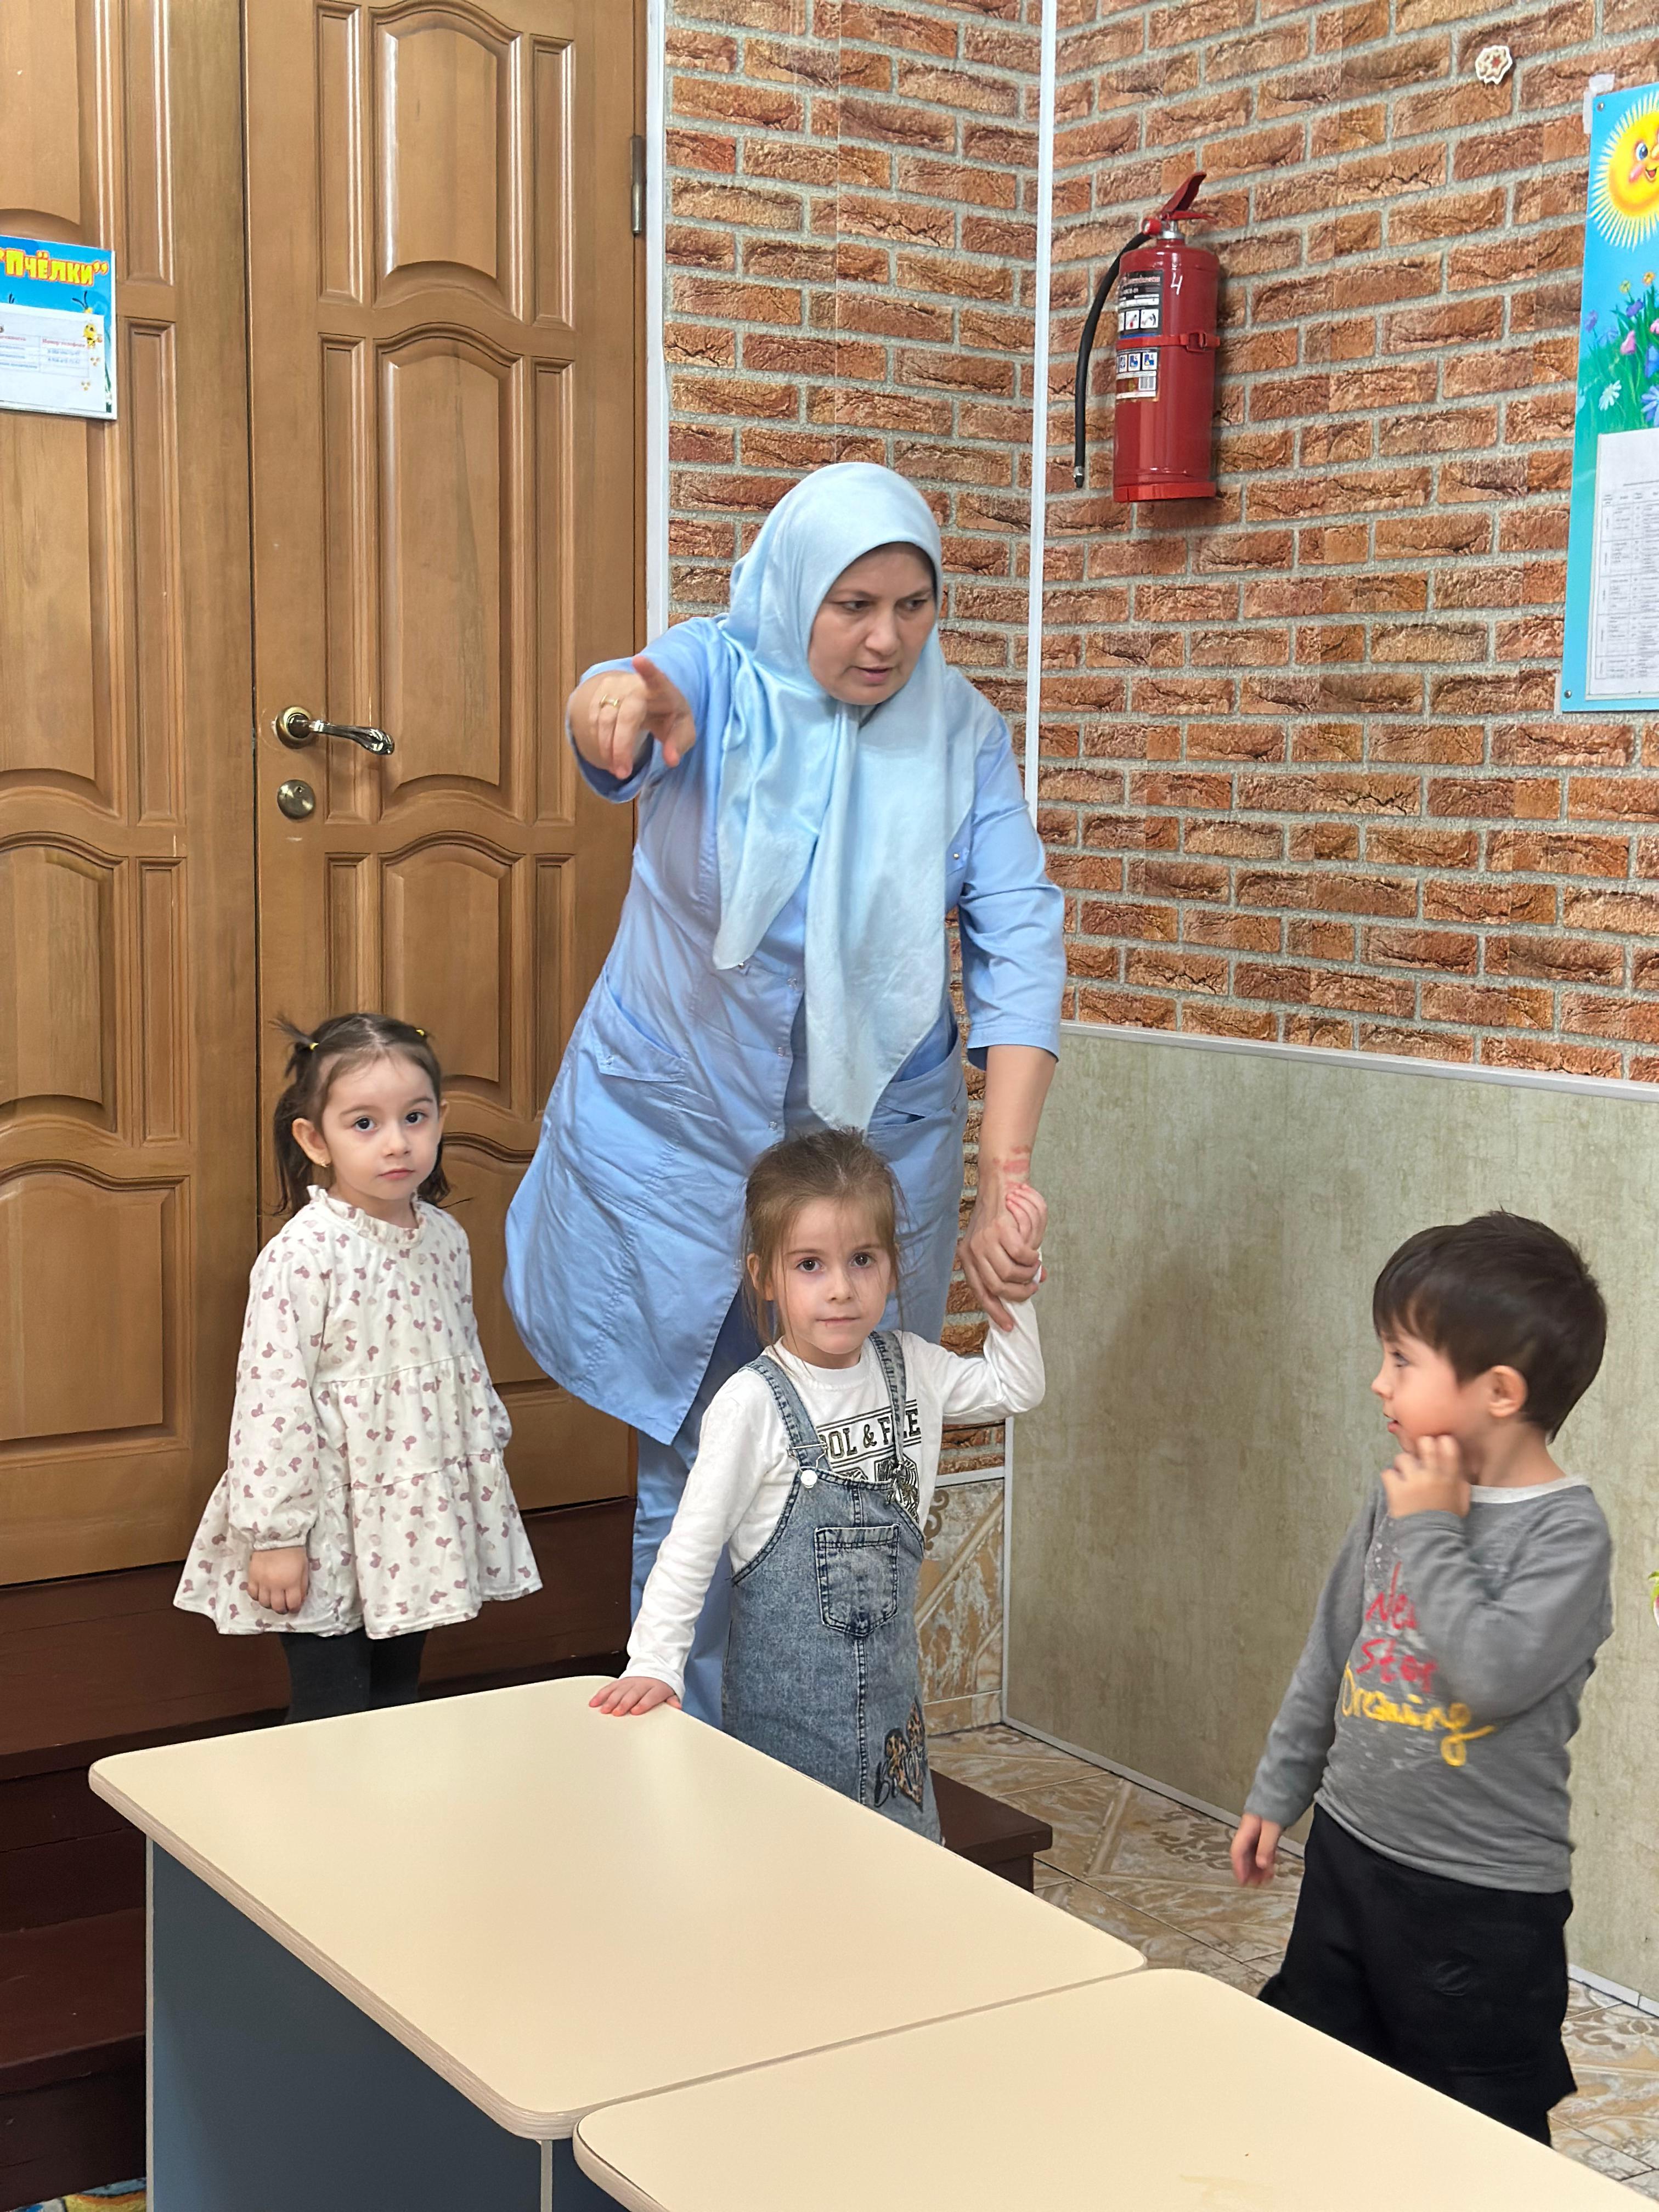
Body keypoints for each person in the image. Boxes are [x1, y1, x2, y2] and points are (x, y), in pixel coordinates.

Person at [506, 462, 1063, 1725]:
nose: (886, 639)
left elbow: (1020, 941)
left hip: (869, 1153)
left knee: (857, 1454)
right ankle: (687, 1757)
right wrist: (614, 702)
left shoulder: (963, 736)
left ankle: (831, 1756)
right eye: (853, 604)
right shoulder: (722, 675)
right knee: (702, 1454)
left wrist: (1007, 1174)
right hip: (685, 1131)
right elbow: (634, 696)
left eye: (913, 606)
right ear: (795, 590)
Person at [1231, 1211, 1612, 2145]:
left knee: (1474, 2129)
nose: (1379, 1380)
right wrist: (1279, 1789)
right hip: (1349, 1850)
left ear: (1498, 1390)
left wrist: (1434, 1526)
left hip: (1478, 1902)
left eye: (1402, 1359)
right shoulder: (1397, 1490)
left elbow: (1490, 1675)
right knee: (1322, 2077)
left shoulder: (1566, 1534)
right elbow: (1332, 1648)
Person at [590, 1128, 1045, 1837]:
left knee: (900, 1878)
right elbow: (692, 1545)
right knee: (794, 1880)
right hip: (783, 1740)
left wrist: (1014, 1281)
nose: (840, 1288)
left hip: (895, 1740)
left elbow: (1017, 1387)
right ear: (765, 1276)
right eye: (810, 1264)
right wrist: (655, 1663)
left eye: (862, 1259)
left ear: (891, 1266)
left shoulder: (915, 1369)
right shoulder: (753, 1403)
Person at [175, 1015, 541, 1721]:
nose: (397, 1142)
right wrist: (276, 1537)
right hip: (330, 1528)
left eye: (415, 1118)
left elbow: (461, 1359)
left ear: (440, 1120)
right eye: (365, 1124)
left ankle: (391, 1794)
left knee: (397, 1699)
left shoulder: (444, 1238)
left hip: (415, 1516)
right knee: (332, 1711)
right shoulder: (303, 1256)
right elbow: (271, 1402)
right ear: (316, 1140)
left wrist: (482, 1460)